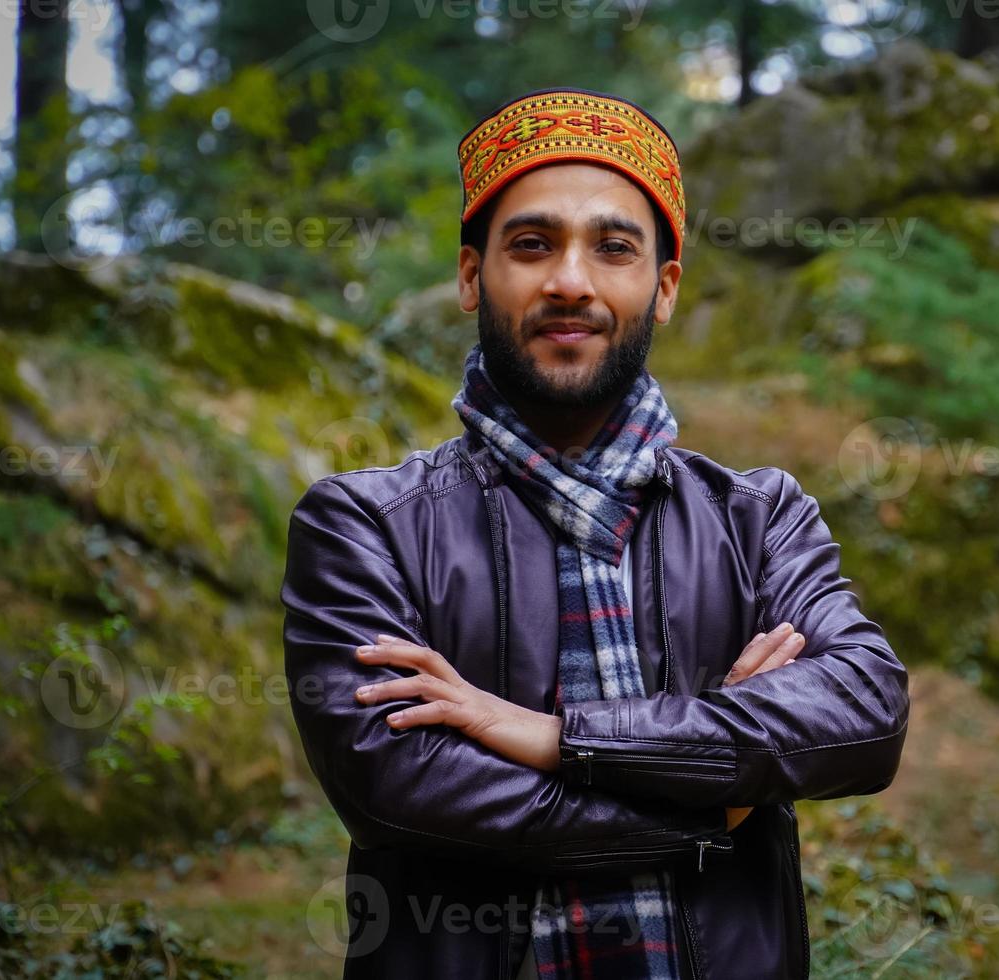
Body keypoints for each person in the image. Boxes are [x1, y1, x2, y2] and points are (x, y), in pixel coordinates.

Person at [281, 87, 910, 979]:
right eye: (531, 244)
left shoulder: (758, 516)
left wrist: (553, 736)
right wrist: (712, 796)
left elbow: (866, 714)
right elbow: (400, 791)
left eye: (614, 248)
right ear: (470, 277)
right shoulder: (369, 526)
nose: (570, 279)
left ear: (664, 289)